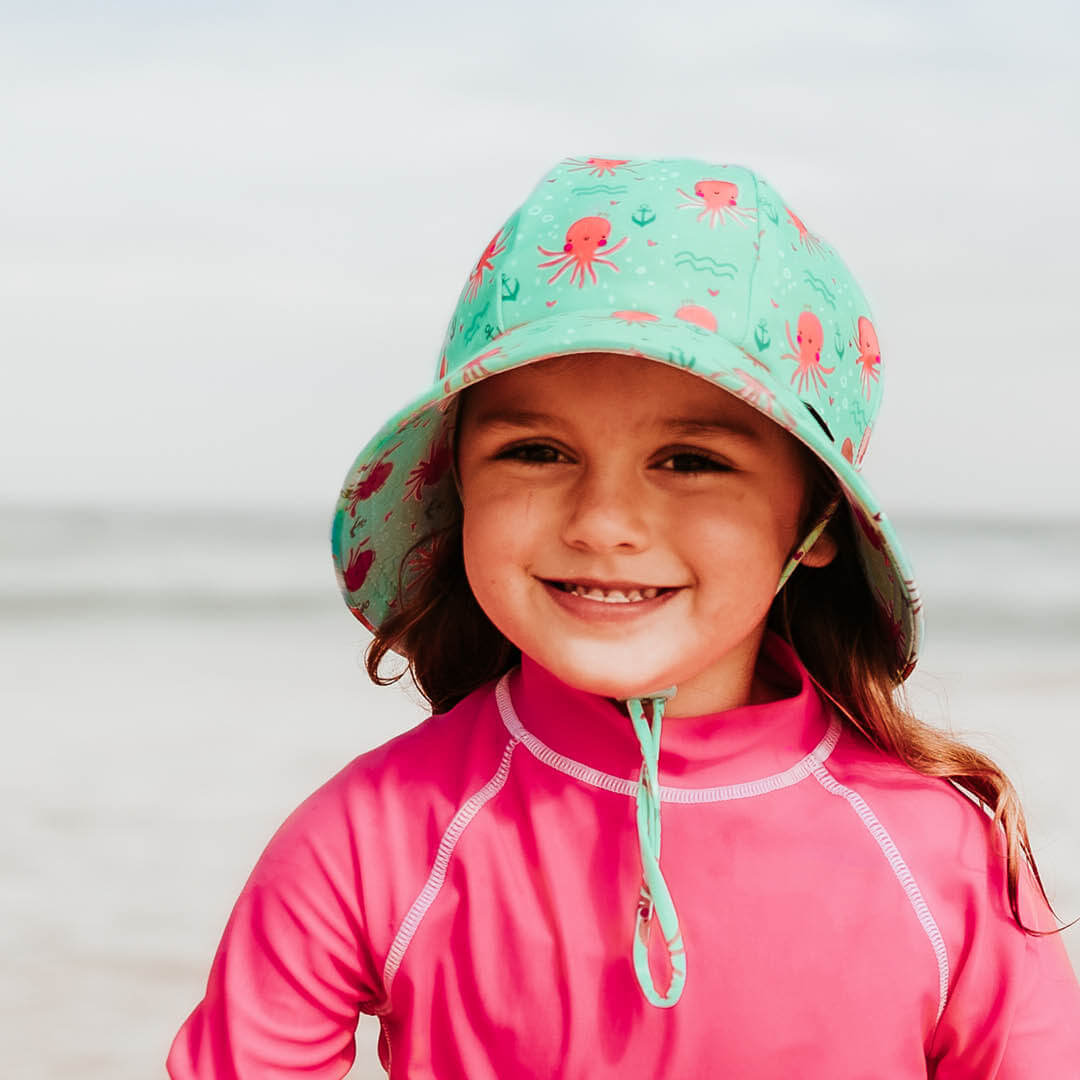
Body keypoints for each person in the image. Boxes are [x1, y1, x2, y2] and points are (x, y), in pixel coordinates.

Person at [167, 157, 1080, 1078]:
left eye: (690, 461)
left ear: (817, 522)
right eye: (536, 450)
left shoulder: (944, 857)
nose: (603, 523)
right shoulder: (368, 838)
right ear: (458, 491)